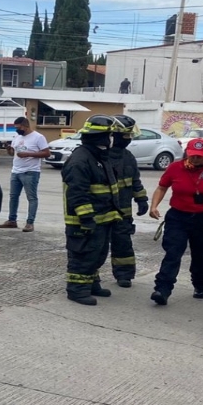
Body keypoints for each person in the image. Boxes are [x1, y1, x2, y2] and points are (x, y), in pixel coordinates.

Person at [148, 138, 203, 305]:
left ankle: (200, 285)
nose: (195, 159)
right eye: (192, 155)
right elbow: (162, 187)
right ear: (187, 153)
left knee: (200, 255)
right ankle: (162, 290)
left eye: (200, 156)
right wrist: (154, 206)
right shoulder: (175, 167)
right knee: (173, 253)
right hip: (178, 217)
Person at [62, 115, 124, 305]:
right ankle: (77, 289)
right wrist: (87, 218)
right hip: (84, 220)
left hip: (101, 218)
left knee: (97, 253)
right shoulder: (80, 160)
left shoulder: (97, 155)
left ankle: (90, 283)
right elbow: (77, 193)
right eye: (110, 135)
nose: (112, 139)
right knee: (83, 255)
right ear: (100, 136)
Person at [108, 115, 149, 287]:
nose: (128, 140)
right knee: (96, 247)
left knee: (123, 244)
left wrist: (141, 199)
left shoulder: (128, 157)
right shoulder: (99, 156)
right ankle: (90, 277)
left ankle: (124, 274)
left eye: (129, 136)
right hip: (101, 211)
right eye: (125, 136)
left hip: (123, 212)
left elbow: (135, 181)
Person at [0, 117, 49, 232]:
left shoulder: (38, 137)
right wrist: (8, 149)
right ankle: (12, 220)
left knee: (31, 197)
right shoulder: (17, 137)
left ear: (26, 126)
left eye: (19, 128)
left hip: (30, 171)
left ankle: (30, 222)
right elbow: (13, 153)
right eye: (15, 128)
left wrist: (28, 154)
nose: (17, 130)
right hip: (16, 171)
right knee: (13, 197)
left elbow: (46, 153)